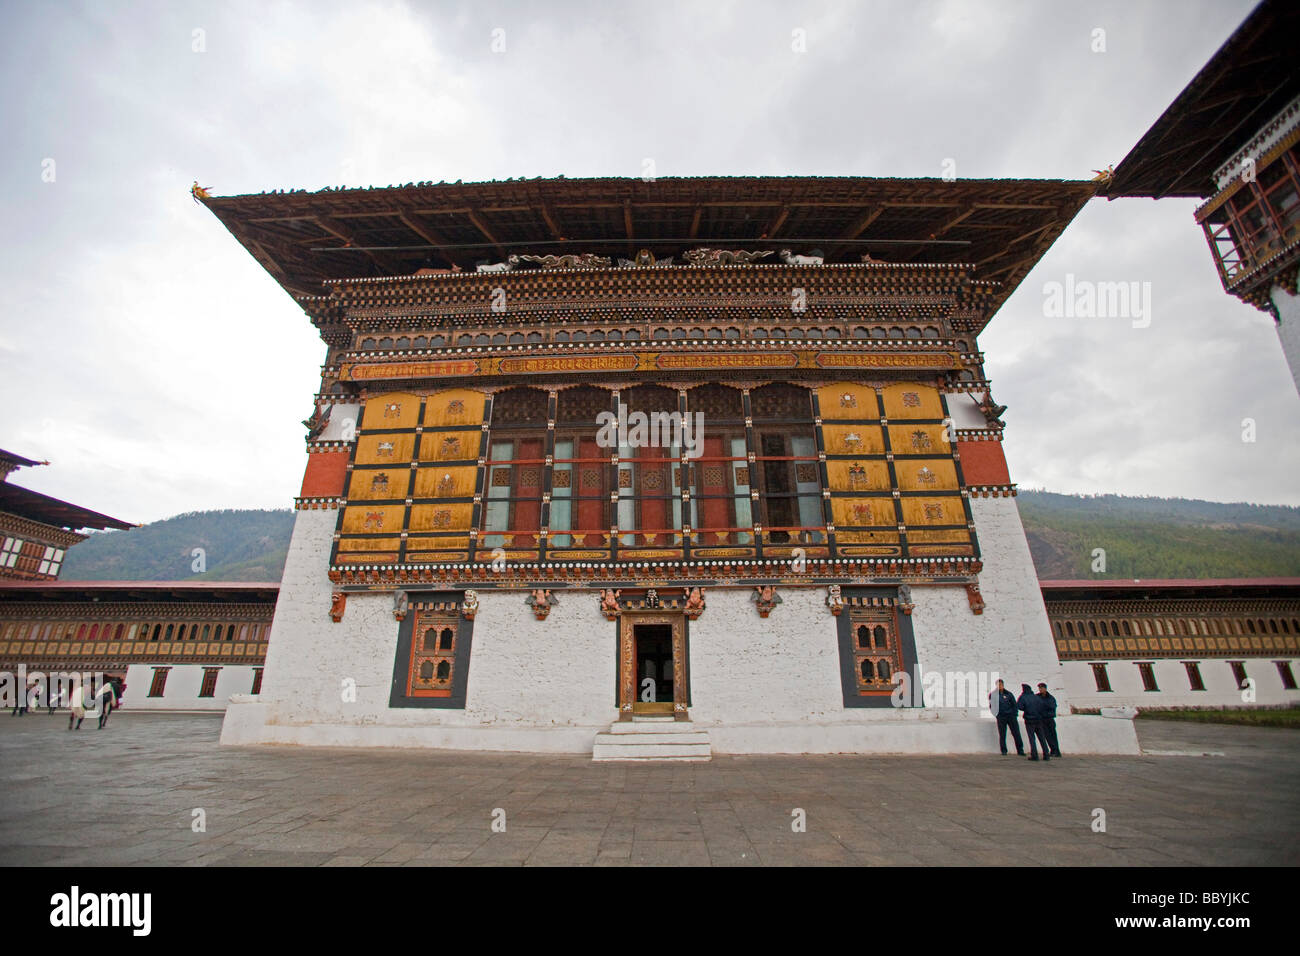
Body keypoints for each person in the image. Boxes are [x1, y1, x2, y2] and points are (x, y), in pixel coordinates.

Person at [989, 678, 1024, 755]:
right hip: (1001, 717)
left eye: (1001, 684)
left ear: (1003, 685)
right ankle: (1004, 750)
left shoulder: (1008, 694)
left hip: (1011, 716)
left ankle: (1020, 750)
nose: (1000, 686)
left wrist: (1014, 714)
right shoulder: (993, 695)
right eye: (998, 684)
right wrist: (997, 715)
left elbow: (1014, 704)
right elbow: (992, 706)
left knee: (1016, 733)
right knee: (1002, 734)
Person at [1017, 682, 1051, 761]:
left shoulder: (1023, 697)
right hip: (1038, 720)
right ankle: (1046, 754)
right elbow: (1042, 706)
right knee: (1042, 737)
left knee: (1032, 738)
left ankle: (1034, 755)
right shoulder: (1036, 697)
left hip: (1029, 720)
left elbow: (1019, 707)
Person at [1037, 682, 1061, 758]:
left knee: (1053, 735)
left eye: (1042, 688)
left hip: (1050, 719)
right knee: (1047, 736)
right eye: (1040, 688)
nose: (1041, 689)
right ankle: (1053, 750)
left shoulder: (1050, 698)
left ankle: (1056, 751)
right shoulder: (1037, 697)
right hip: (1042, 719)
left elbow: (1052, 707)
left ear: (1045, 689)